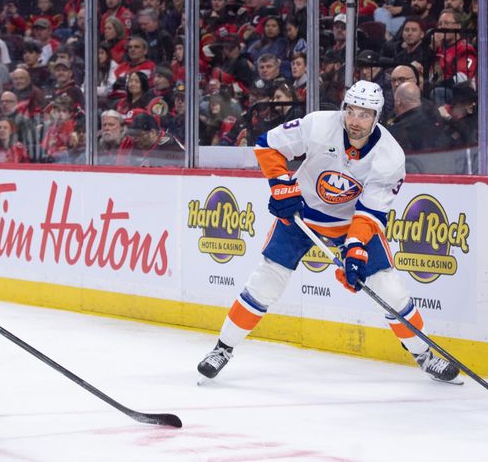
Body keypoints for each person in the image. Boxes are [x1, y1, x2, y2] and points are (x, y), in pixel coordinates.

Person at [196, 81, 460, 384]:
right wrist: (281, 185)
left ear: (377, 117)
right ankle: (223, 349)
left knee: (389, 288)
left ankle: (424, 354)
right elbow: (268, 144)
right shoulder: (319, 125)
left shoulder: (390, 156)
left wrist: (354, 250)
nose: (355, 121)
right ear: (343, 109)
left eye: (365, 114)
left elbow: (370, 212)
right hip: (303, 214)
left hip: (351, 222)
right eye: (351, 112)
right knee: (266, 282)